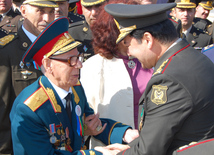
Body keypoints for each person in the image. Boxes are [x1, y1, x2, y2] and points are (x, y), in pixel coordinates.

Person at [95, 3, 214, 155]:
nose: (129, 53)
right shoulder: (192, 57)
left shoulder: (169, 79)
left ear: (147, 39)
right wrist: (130, 148)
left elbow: (149, 151)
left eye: (127, 43)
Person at [10, 17, 138, 155]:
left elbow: (89, 122)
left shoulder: (75, 86)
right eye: (71, 60)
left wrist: (124, 133)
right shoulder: (29, 109)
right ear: (48, 65)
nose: (79, 65)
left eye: (78, 57)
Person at [80, 0, 153, 149]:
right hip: (112, 147)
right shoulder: (94, 66)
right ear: (112, 29)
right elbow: (87, 118)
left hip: (153, 145)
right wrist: (121, 134)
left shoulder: (151, 58)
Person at [0, 0, 58, 154]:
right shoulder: (7, 51)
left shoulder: (60, 48)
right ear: (24, 11)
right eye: (40, 11)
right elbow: (3, 113)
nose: (47, 18)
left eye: (51, 12)